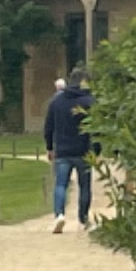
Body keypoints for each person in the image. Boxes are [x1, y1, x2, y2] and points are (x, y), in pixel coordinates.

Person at [43, 66, 94, 233]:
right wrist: (96, 150)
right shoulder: (89, 102)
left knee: (60, 184)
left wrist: (50, 147)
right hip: (84, 150)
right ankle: (83, 219)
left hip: (63, 150)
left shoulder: (56, 101)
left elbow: (49, 126)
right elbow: (97, 128)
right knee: (84, 186)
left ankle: (59, 214)